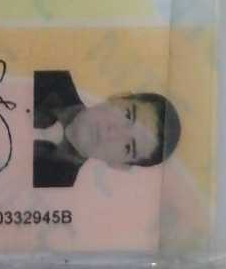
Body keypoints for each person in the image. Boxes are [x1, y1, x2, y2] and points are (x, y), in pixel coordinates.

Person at [32, 70, 181, 188]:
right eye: (127, 115)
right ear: (118, 97)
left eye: (128, 147)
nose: (112, 132)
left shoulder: (56, 192)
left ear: (119, 166)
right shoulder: (48, 75)